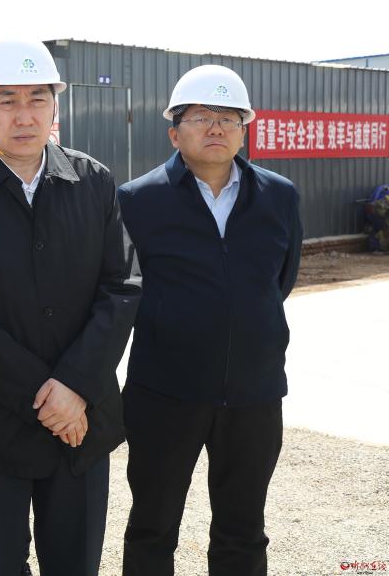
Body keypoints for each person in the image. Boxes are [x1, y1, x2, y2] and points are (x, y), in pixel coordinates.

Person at [0, 39, 140, 576]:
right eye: (7, 100)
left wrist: (75, 386)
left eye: (38, 98)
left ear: (55, 104)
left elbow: (122, 286)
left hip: (80, 430)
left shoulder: (91, 181)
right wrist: (50, 400)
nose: (24, 115)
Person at [117, 65, 303, 576]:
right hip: (165, 392)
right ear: (174, 132)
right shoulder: (138, 200)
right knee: (153, 525)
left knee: (243, 529)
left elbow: (280, 281)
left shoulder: (279, 196)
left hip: (254, 393)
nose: (216, 127)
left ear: (244, 130)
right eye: (200, 117)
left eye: (228, 117)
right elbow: (124, 288)